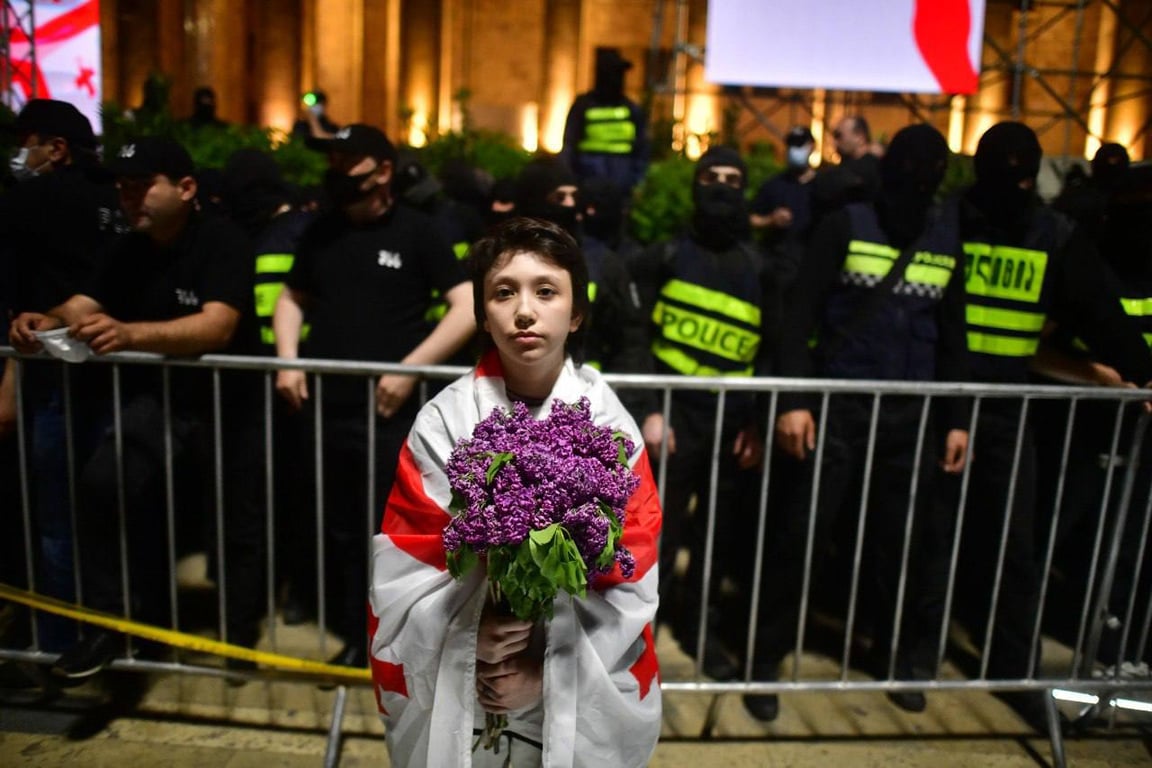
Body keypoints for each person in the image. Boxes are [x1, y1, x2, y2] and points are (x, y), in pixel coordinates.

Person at [368, 217, 662, 766]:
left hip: (562, 696)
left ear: (576, 314)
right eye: (504, 293)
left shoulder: (613, 428)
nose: (524, 310)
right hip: (470, 686)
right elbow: (405, 566)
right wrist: (467, 637)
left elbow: (631, 577)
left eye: (546, 291)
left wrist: (545, 668)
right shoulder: (442, 423)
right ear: (483, 314)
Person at [9, 137, 261, 679]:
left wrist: (128, 334)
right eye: (122, 187)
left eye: (141, 186)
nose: (128, 197)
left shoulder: (224, 241)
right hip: (162, 400)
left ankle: (239, 639)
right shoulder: (127, 246)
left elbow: (218, 325)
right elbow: (81, 303)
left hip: (232, 404)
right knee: (106, 485)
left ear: (186, 188)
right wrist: (43, 320)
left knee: (235, 520)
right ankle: (111, 627)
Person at [758, 124, 970, 721]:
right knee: (801, 536)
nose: (920, 181)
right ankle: (765, 662)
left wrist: (956, 420)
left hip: (911, 417)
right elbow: (798, 317)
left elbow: (954, 337)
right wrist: (795, 401)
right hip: (838, 410)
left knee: (899, 545)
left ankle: (898, 660)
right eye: (913, 169)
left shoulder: (943, 237)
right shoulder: (845, 225)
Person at [949, 121, 1152, 732]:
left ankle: (1015, 669)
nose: (1013, 177)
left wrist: (1144, 373)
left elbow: (1102, 314)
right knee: (924, 542)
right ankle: (907, 658)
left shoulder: (1053, 233)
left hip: (1011, 414)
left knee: (1017, 552)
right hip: (939, 407)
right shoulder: (950, 221)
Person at [272, 124, 475, 668]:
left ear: (383, 171)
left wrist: (409, 370)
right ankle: (354, 633)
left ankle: (399, 635)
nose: (338, 170)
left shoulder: (421, 231)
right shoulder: (322, 231)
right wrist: (288, 360)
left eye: (350, 160)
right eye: (333, 160)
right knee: (340, 527)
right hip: (326, 411)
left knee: (393, 530)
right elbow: (293, 298)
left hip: (390, 414)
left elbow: (466, 307)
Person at [629, 146, 770, 680]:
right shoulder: (663, 256)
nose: (722, 188)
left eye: (734, 179)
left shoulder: (761, 267)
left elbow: (771, 351)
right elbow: (639, 339)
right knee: (650, 534)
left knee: (715, 537)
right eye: (711, 178)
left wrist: (756, 423)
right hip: (672, 423)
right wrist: (651, 411)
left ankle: (699, 631)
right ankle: (637, 632)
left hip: (731, 428)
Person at [0, 99, 124, 653]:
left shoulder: (30, 200)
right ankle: (103, 633)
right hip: (111, 375)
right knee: (100, 510)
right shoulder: (118, 199)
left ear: (56, 149)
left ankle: (61, 638)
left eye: (26, 141)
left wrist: (11, 371)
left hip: (52, 376)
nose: (18, 154)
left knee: (55, 518)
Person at [561, 47, 649, 193]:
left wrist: (636, 179)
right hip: (587, 182)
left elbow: (642, 147)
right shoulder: (584, 106)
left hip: (620, 185)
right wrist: (571, 179)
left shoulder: (631, 109)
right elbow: (569, 145)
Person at [750, 125, 817, 241]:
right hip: (779, 255)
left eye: (800, 145)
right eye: (791, 145)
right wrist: (771, 220)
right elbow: (751, 218)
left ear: (812, 147)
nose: (795, 150)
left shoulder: (822, 185)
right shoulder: (773, 185)